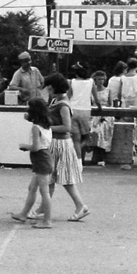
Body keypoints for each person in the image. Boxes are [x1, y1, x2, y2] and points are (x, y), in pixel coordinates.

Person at [35, 73, 90, 221]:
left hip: (61, 144)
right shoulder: (56, 101)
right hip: (55, 143)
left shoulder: (63, 104)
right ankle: (43, 207)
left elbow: (67, 127)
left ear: (53, 87)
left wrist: (47, 128)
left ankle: (80, 205)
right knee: (51, 178)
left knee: (63, 179)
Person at [11, 97, 53, 229]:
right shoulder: (46, 125)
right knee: (32, 188)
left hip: (40, 158)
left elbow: (35, 147)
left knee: (44, 191)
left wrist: (25, 146)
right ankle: (23, 214)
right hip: (44, 157)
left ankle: (47, 220)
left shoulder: (36, 128)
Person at [69, 62, 101, 166]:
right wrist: (100, 108)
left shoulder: (72, 82)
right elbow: (96, 98)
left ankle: (76, 159)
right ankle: (77, 156)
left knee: (76, 139)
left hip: (73, 110)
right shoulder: (91, 82)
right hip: (85, 111)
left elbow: (68, 96)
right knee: (87, 137)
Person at [90, 70, 114, 163]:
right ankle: (95, 154)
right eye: (99, 79)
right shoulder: (92, 90)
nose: (101, 81)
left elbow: (110, 104)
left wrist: (104, 114)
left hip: (105, 114)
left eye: (103, 79)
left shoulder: (108, 90)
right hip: (94, 114)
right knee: (94, 128)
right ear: (95, 79)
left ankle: (101, 155)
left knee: (103, 127)